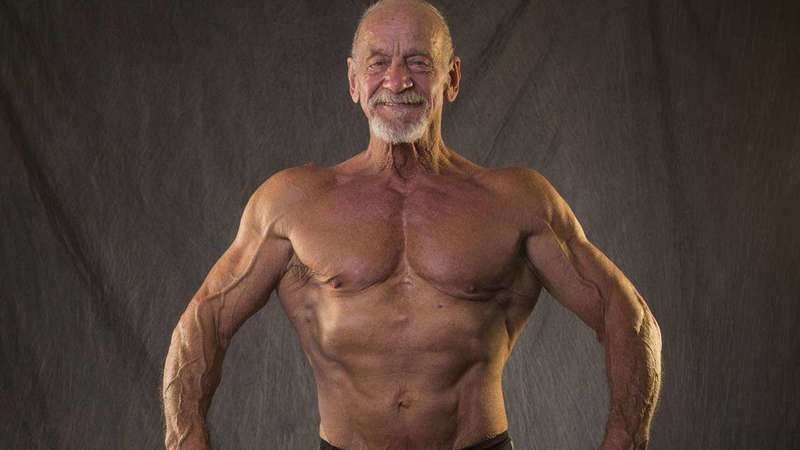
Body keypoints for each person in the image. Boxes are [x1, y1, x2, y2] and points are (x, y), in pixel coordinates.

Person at [161, 0, 662, 448]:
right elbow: (206, 319)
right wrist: (185, 439)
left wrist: (626, 439)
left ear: (452, 78)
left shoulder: (516, 201)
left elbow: (628, 317)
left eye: (419, 63)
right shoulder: (292, 203)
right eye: (378, 62)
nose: (397, 81)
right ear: (354, 81)